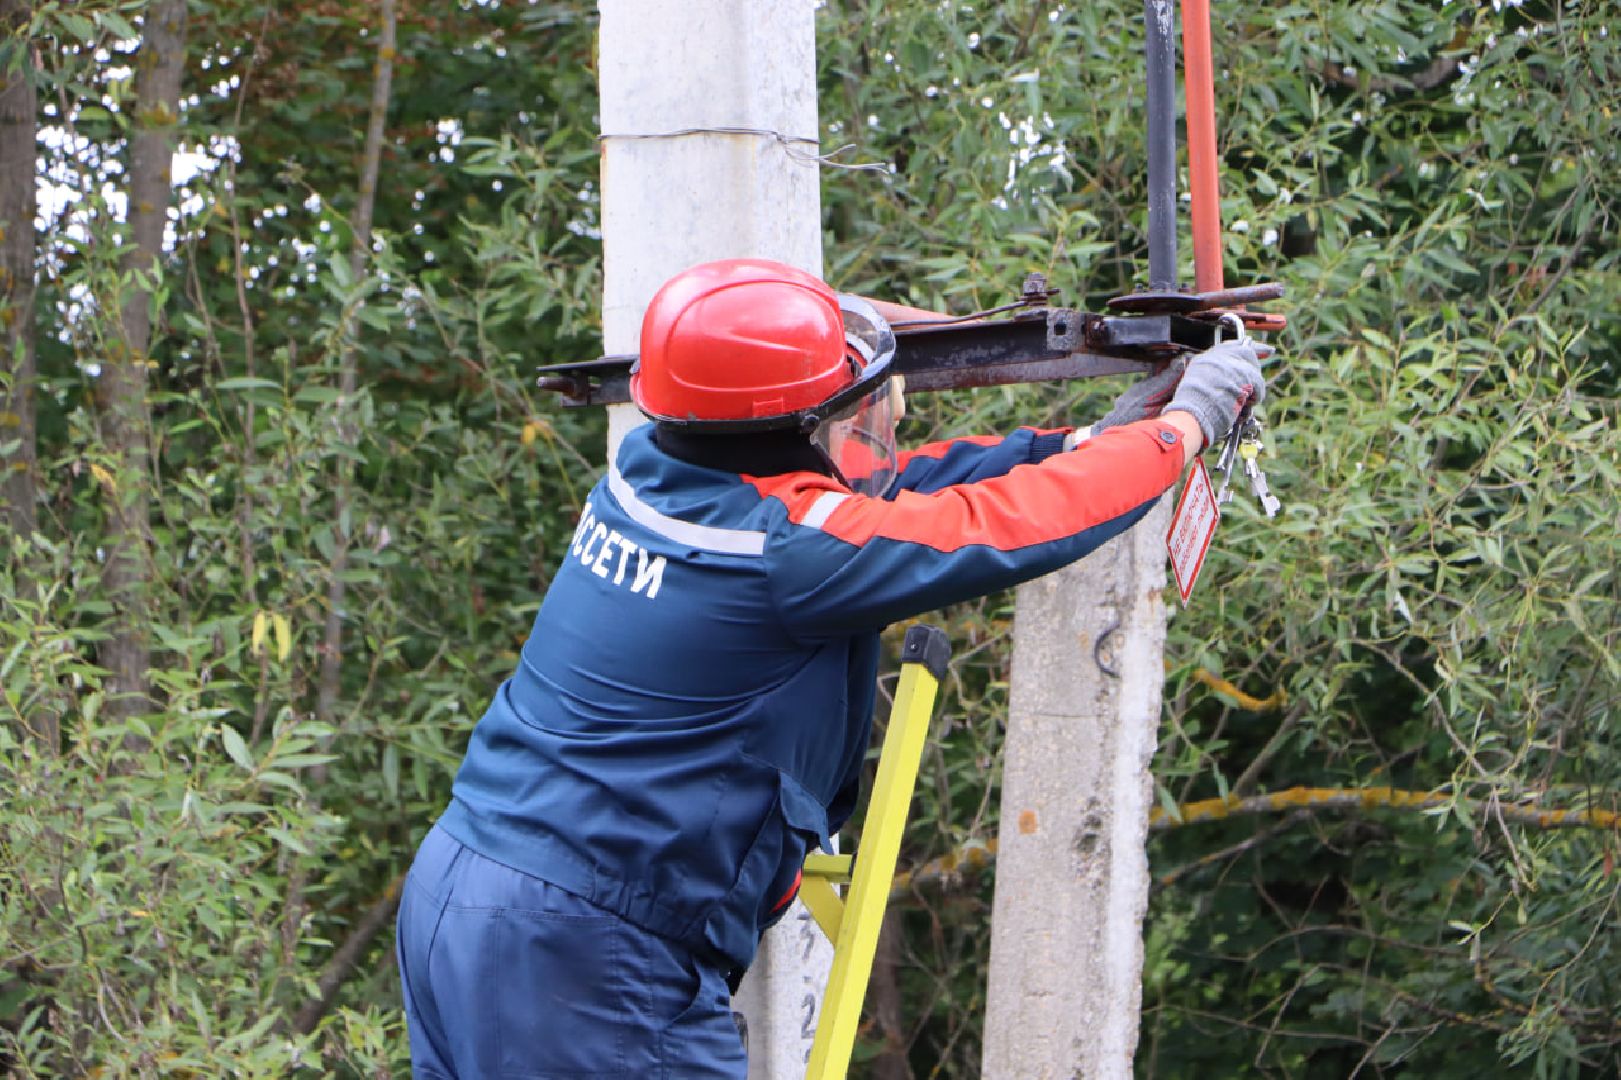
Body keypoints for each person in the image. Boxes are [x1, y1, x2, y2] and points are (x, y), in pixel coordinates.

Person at [395, 258, 1264, 1078]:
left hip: (462, 891)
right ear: (793, 428)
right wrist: (1181, 431)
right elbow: (996, 526)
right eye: (854, 411)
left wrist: (1082, 440)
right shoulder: (782, 553)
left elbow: (884, 495)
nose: (877, 426)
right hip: (583, 952)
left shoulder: (650, 475)